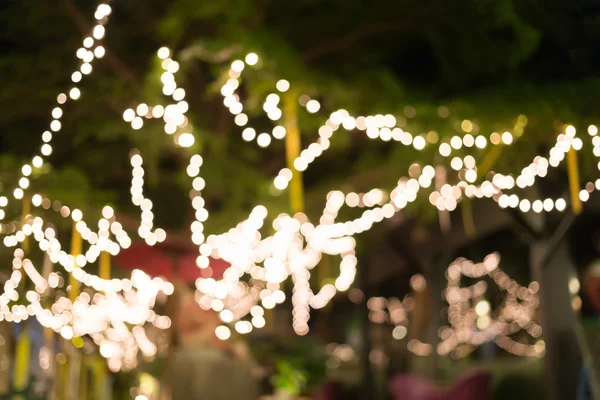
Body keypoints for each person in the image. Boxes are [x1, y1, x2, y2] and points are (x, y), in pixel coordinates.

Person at [169, 283, 259, 400]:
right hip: (194, 354)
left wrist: (233, 349)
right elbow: (185, 338)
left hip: (212, 353)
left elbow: (216, 337)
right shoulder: (186, 309)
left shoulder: (205, 309)